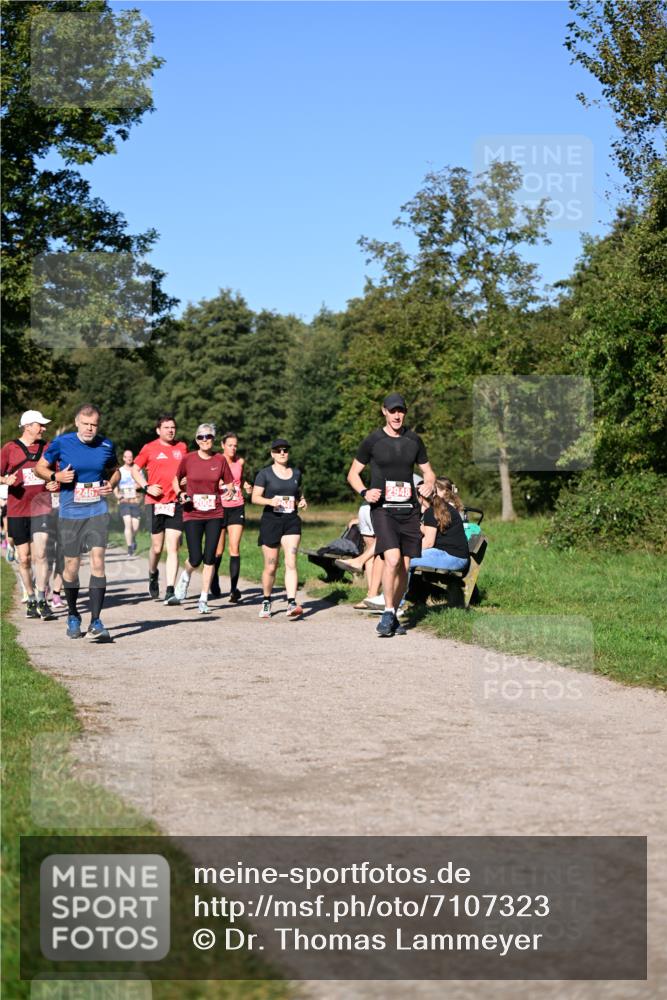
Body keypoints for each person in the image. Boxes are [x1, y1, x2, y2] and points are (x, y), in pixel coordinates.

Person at [347, 392, 435, 638]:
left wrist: (428, 484)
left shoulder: (414, 440)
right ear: (384, 411)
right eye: (393, 411)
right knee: (393, 559)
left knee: (405, 567)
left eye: (401, 411)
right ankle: (387, 612)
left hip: (409, 510)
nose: (397, 415)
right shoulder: (373, 441)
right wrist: (365, 492)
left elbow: (429, 472)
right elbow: (353, 474)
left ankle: (394, 613)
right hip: (383, 510)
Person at [35, 403, 119, 641]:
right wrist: (56, 476)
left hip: (97, 511)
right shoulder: (62, 443)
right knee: (71, 567)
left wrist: (110, 484)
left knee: (98, 562)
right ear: (77, 422)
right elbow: (40, 467)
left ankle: (96, 620)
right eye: (86, 424)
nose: (90, 429)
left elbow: (115, 470)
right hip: (71, 513)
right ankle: (73, 614)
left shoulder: (106, 444)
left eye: (94, 425)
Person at [0, 409, 59, 620]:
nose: (43, 428)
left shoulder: (48, 448)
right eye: (39, 425)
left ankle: (43, 599)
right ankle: (31, 597)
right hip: (17, 511)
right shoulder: (10, 448)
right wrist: (5, 480)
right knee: (24, 558)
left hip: (42, 508)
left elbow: (57, 473)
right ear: (28, 426)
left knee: (41, 555)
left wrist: (55, 483)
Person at [172, 423, 234, 614]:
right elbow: (176, 479)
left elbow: (230, 482)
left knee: (210, 557)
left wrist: (229, 491)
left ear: (213, 439)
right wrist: (180, 493)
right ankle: (185, 576)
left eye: (208, 437)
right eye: (201, 437)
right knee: (196, 557)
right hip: (192, 513)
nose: (205, 440)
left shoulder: (220, 459)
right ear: (196, 440)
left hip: (215, 513)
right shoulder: (188, 459)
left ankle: (203, 598)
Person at [131, 415, 188, 605]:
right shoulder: (149, 448)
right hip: (155, 502)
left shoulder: (182, 447)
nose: (170, 430)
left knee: (173, 546)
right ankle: (153, 573)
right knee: (157, 548)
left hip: (175, 502)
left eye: (173, 427)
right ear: (158, 430)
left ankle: (170, 590)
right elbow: (134, 470)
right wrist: (146, 486)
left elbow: (186, 470)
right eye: (166, 428)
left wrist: (186, 480)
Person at [252, 438, 307, 620]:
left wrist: (302, 501)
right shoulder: (264, 474)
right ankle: (267, 600)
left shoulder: (296, 473)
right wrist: (270, 501)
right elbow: (255, 497)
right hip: (271, 521)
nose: (282, 453)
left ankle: (291, 602)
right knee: (271, 565)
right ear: (272, 454)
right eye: (278, 450)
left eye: (285, 450)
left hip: (291, 520)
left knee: (291, 561)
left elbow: (297, 493)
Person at [209, 432, 252, 602]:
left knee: (234, 548)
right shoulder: (215, 461)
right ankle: (214, 578)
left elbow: (241, 482)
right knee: (218, 550)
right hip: (219, 508)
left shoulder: (240, 462)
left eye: (235, 445)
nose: (233, 448)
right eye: (230, 445)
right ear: (222, 445)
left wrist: (247, 487)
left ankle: (234, 589)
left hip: (236, 507)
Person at [407, 476, 470, 580]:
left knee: (405, 561)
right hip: (455, 555)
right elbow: (432, 533)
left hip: (453, 558)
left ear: (421, 498)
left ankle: (397, 596)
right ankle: (404, 593)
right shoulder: (441, 507)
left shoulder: (431, 512)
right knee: (407, 558)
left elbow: (428, 542)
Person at [334, 502, 384, 610]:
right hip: (367, 506)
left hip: (385, 507)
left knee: (380, 546)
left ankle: (373, 594)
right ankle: (371, 596)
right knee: (370, 549)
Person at [114, 449, 142, 555]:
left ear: (133, 458)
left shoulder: (137, 470)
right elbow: (115, 485)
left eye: (131, 457)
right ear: (124, 458)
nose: (129, 458)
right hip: (124, 501)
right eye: (127, 457)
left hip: (135, 500)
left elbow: (142, 483)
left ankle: (133, 538)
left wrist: (136, 486)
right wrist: (117, 495)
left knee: (135, 526)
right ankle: (129, 547)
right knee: (128, 523)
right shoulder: (119, 471)